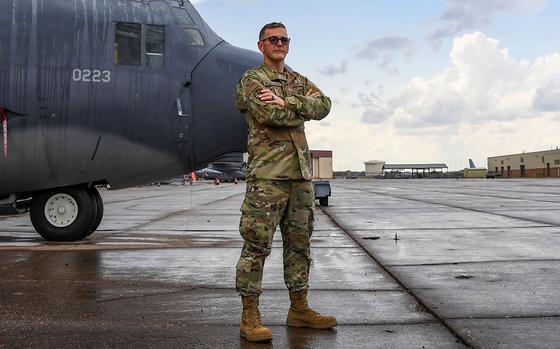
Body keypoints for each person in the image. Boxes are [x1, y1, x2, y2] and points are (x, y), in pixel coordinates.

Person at [235, 22, 336, 343]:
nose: (279, 43)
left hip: (300, 177)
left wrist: (287, 101)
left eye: (284, 39)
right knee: (256, 246)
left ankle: (299, 309)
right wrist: (294, 107)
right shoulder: (251, 80)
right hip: (267, 176)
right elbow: (268, 115)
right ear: (261, 45)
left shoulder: (297, 79)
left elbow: (325, 105)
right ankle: (249, 315)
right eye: (273, 39)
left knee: (300, 247)